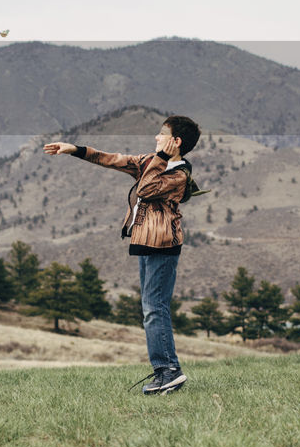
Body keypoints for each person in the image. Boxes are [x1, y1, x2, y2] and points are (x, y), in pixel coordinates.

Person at [43, 115, 202, 395]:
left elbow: (147, 188)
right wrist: (74, 149)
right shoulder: (150, 162)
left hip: (163, 246)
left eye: (162, 134)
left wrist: (161, 158)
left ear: (176, 142)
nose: (156, 138)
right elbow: (111, 159)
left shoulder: (178, 174)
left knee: (155, 309)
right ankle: (165, 370)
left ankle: (168, 371)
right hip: (145, 243)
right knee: (150, 309)